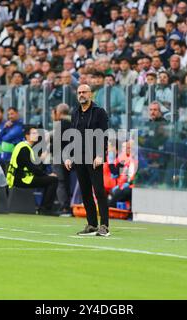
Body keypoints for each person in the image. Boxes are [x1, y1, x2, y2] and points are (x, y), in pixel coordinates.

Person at [65, 84, 110, 237]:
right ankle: (91, 224)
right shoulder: (75, 113)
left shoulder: (99, 112)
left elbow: (104, 135)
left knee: (98, 191)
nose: (81, 94)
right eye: (79, 92)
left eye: (84, 92)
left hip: (93, 157)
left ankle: (104, 225)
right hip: (79, 157)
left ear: (90, 94)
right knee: (85, 192)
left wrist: (100, 155)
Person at [6, 125, 59, 213]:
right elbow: (32, 168)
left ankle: (42, 208)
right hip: (21, 179)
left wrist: (41, 160)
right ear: (27, 136)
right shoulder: (24, 149)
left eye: (37, 133)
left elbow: (33, 166)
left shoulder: (23, 146)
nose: (36, 135)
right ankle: (45, 209)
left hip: (20, 178)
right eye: (34, 133)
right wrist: (47, 175)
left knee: (50, 180)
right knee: (53, 180)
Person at [51, 103, 72, 215]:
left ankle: (64, 207)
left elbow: (56, 143)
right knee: (67, 182)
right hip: (70, 156)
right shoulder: (73, 123)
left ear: (58, 112)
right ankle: (67, 206)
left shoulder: (60, 125)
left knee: (60, 182)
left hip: (60, 157)